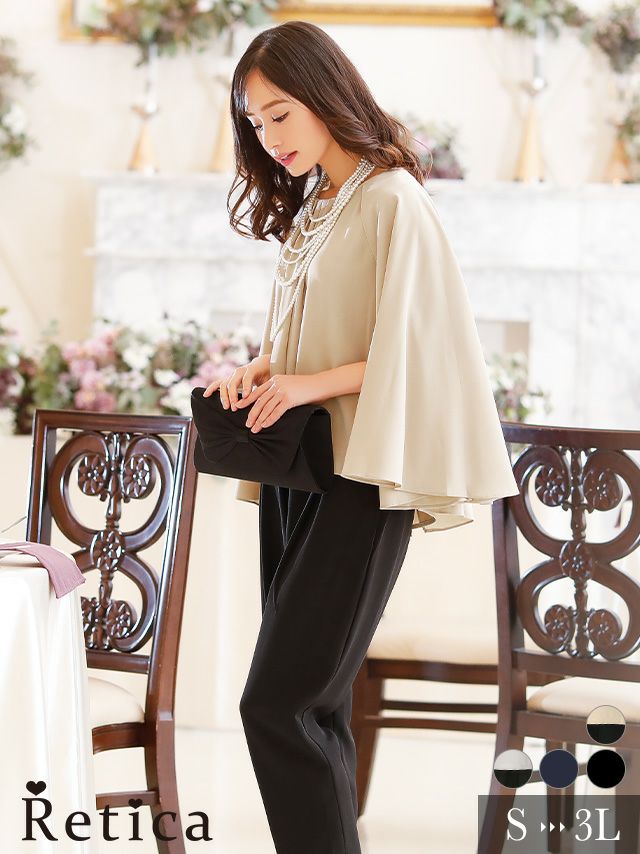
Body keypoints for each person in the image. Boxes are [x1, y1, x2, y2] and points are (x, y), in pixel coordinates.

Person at [202, 20, 519, 854]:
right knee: (317, 704)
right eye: (255, 123)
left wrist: (308, 383)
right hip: (298, 470)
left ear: (324, 94)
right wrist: (263, 368)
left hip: (362, 474)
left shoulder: (393, 199)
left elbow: (428, 349)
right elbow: (316, 333)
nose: (269, 138)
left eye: (280, 115)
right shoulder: (321, 203)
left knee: (278, 703)